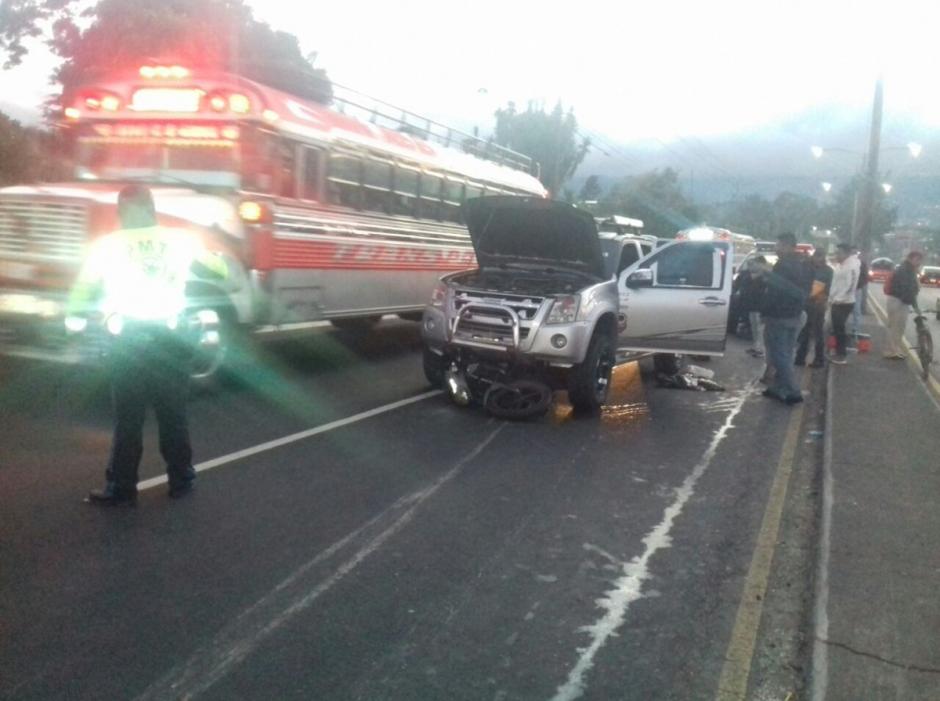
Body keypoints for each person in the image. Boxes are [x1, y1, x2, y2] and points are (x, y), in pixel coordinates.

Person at [66, 185, 227, 506]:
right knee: (173, 415)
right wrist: (215, 249)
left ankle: (122, 489)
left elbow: (82, 291)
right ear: (153, 208)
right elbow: (219, 271)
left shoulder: (106, 246)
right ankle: (181, 480)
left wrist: (73, 324)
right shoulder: (180, 240)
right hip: (170, 341)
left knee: (128, 420)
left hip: (127, 342)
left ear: (121, 212)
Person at [760, 232, 812, 404]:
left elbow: (774, 293)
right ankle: (778, 387)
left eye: (779, 245)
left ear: (788, 246)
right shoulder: (803, 264)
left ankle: (792, 390)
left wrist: (764, 311)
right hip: (795, 314)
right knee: (787, 353)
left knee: (778, 355)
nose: (776, 248)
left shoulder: (782, 265)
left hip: (779, 315)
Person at [795, 248, 833, 367]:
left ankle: (819, 359)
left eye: (820, 257)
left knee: (817, 332)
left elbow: (828, 288)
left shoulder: (828, 271)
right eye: (817, 257)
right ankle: (800, 357)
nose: (818, 260)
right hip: (806, 302)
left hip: (818, 304)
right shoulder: (806, 267)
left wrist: (821, 297)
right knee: (804, 331)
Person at [884, 250, 924, 359]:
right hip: (897, 301)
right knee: (895, 326)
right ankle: (891, 351)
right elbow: (908, 289)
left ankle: (895, 349)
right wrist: (915, 307)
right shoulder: (905, 270)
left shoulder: (909, 269)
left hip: (901, 301)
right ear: (910, 259)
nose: (919, 262)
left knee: (899, 327)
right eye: (917, 259)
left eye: (920, 260)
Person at [827, 243, 861, 365]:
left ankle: (841, 355)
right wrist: (832, 297)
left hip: (844, 302)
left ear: (846, 253)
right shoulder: (841, 265)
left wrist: (840, 298)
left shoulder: (852, 266)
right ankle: (838, 352)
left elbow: (851, 285)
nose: (837, 256)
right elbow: (836, 283)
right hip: (836, 300)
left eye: (839, 253)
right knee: (837, 328)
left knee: (839, 329)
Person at [738, 256, 769, 358]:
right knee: (755, 328)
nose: (753, 266)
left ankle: (761, 350)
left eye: (755, 263)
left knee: (760, 329)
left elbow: (764, 290)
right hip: (752, 305)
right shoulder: (750, 275)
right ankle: (756, 347)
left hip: (760, 307)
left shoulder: (766, 276)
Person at [852, 251, 870, 335]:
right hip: (846, 289)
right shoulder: (845, 263)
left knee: (856, 310)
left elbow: (865, 277)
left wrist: (858, 285)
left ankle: (856, 329)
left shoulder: (861, 264)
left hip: (856, 289)